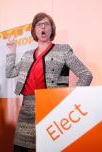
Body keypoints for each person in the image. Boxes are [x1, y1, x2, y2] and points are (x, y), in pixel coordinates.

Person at [5, 12, 93, 152]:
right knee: (19, 148)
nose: (43, 27)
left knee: (48, 148)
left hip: (50, 109)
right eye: (39, 25)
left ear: (51, 29)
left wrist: (70, 99)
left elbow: (86, 74)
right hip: (26, 110)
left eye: (46, 24)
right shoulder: (27, 55)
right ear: (34, 30)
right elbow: (9, 73)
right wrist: (11, 51)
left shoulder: (63, 50)